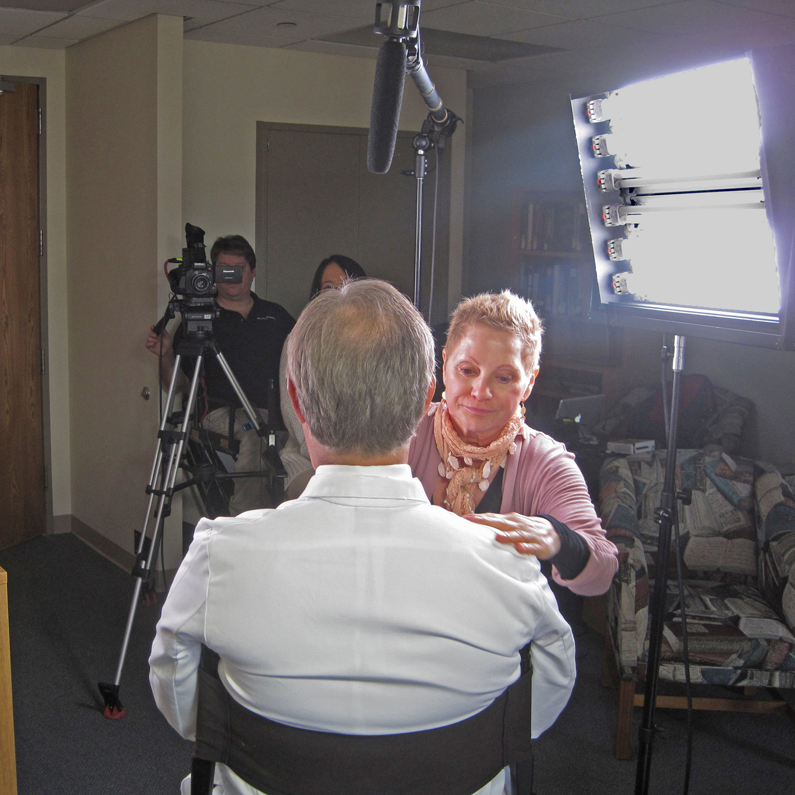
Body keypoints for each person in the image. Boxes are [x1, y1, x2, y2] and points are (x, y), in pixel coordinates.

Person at [150, 279, 576, 795]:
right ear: (426, 399)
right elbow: (536, 707)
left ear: (296, 401)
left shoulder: (219, 556)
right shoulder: (507, 568)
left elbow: (182, 701)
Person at [408, 290, 618, 597]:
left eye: (503, 378)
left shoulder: (546, 462)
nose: (480, 391)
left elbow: (602, 573)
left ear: (529, 382)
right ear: (445, 362)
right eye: (468, 370)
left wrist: (559, 539)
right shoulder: (404, 431)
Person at [146, 235, 294, 515]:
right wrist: (167, 356)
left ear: (253, 272)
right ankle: (245, 525)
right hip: (222, 413)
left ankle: (292, 520)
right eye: (224, 269)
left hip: (276, 410)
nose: (231, 276)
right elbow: (176, 384)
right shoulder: (198, 320)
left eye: (238, 269)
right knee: (258, 438)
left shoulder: (275, 315)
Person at [279, 255, 367, 497]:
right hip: (307, 459)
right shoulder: (297, 340)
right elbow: (294, 415)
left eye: (347, 284)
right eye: (329, 287)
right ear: (316, 295)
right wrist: (335, 459)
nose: (340, 293)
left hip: (364, 459)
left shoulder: (375, 339)